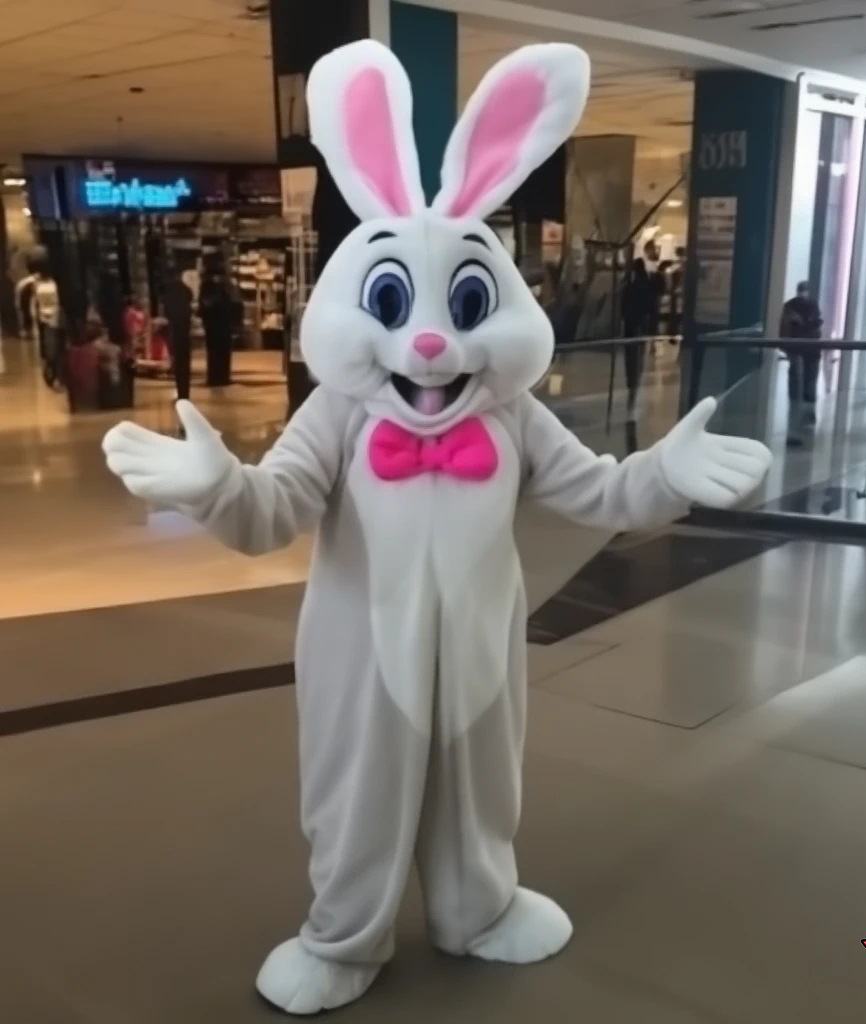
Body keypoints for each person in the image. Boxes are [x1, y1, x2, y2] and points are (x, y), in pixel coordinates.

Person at [101, 40, 775, 1016]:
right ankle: (343, 936)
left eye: (463, 305)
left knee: (481, 783)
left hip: (481, 649)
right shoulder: (336, 412)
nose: (428, 341)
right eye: (389, 304)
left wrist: (665, 473)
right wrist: (215, 486)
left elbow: (596, 490)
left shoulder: (508, 413)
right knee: (356, 793)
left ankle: (479, 906)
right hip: (358, 649)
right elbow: (272, 511)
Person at [779, 281, 824, 424]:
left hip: (798, 348)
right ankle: (807, 411)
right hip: (809, 348)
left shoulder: (790, 306)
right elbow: (816, 326)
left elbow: (785, 329)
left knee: (797, 377)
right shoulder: (811, 305)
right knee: (809, 380)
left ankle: (798, 408)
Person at [621, 258, 653, 419]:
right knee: (638, 353)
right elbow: (650, 304)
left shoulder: (631, 286)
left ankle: (631, 381)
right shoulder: (646, 284)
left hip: (631, 324)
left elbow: (624, 304)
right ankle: (635, 378)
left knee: (630, 353)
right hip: (640, 323)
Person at [199, 272, 235, 387]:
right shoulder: (224, 289)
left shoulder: (208, 288)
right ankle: (221, 377)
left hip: (215, 326)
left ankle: (216, 377)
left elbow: (203, 308)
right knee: (220, 353)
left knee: (215, 353)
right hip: (221, 326)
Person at [164, 271, 195, 401]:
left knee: (178, 363)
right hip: (185, 331)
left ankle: (180, 392)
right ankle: (185, 393)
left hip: (175, 330)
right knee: (185, 363)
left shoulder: (168, 292)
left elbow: (167, 310)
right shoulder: (186, 290)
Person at [33, 267, 62, 389]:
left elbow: (36, 303)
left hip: (44, 318)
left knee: (49, 347)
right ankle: (55, 376)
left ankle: (50, 372)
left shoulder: (38, 286)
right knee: (56, 349)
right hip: (55, 318)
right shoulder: (54, 286)